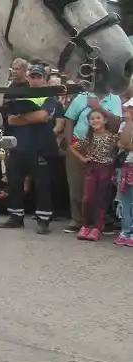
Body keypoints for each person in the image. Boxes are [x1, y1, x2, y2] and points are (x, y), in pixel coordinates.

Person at [0, 63, 64, 234]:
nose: (35, 79)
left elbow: (43, 116)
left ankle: (44, 220)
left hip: (42, 147)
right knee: (15, 182)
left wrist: (23, 118)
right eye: (32, 76)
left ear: (44, 78)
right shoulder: (20, 93)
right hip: (19, 146)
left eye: (38, 76)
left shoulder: (49, 94)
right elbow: (10, 119)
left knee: (42, 184)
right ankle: (15, 216)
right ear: (28, 77)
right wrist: (31, 118)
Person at [62, 85, 122, 234]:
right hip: (79, 143)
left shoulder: (114, 99)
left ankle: (97, 222)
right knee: (76, 183)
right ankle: (77, 220)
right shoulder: (82, 96)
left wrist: (99, 107)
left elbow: (116, 122)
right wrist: (69, 144)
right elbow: (69, 119)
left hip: (104, 146)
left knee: (100, 188)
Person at [70, 109, 119, 241]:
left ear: (105, 120)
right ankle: (86, 225)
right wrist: (82, 158)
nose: (95, 120)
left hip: (106, 170)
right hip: (92, 169)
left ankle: (97, 227)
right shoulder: (88, 137)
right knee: (87, 198)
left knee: (101, 199)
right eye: (92, 119)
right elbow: (73, 147)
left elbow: (121, 146)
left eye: (98, 118)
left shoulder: (112, 137)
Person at [114, 101, 133, 246]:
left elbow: (125, 144)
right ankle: (125, 231)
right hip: (126, 165)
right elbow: (123, 142)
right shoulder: (125, 124)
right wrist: (129, 122)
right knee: (124, 200)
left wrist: (126, 145)